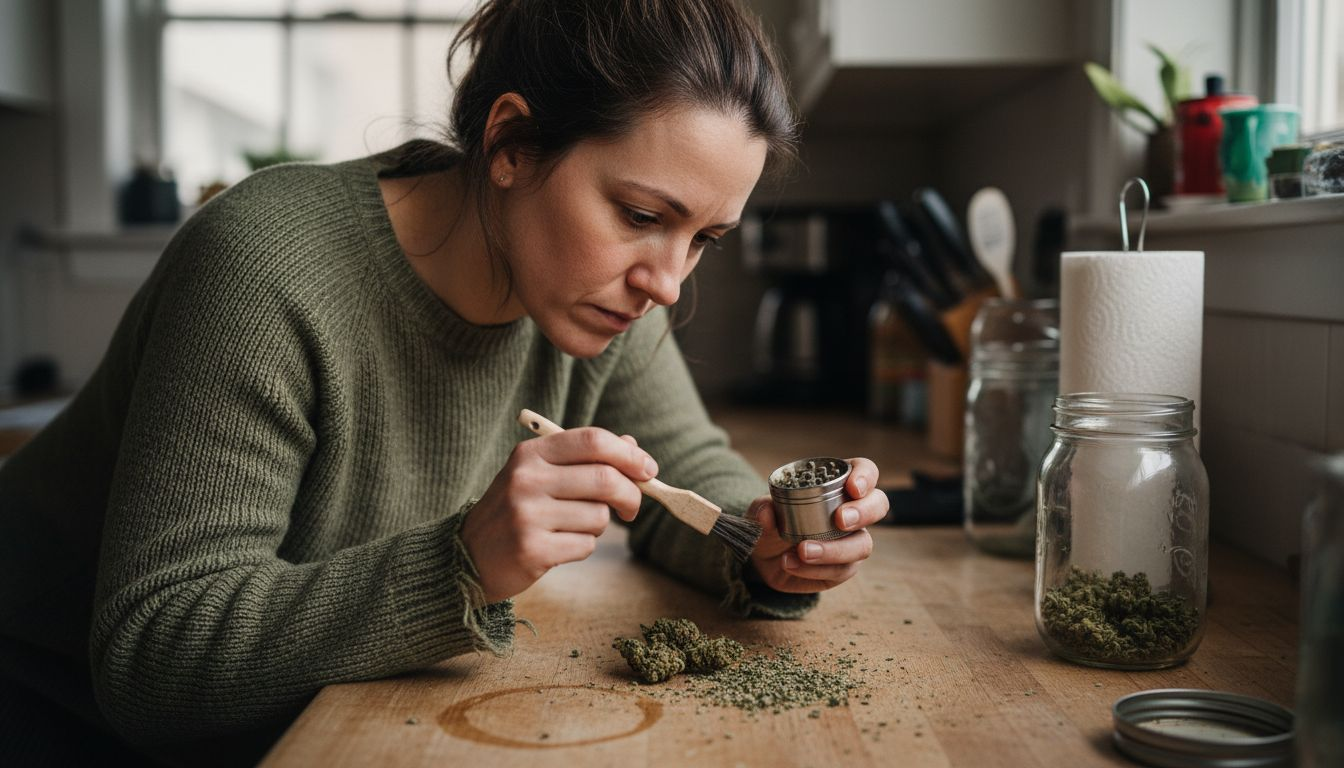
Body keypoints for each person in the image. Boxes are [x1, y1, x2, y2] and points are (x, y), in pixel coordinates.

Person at [0, 0, 889, 764]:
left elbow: (686, 463)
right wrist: (461, 562)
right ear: (511, 142)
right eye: (642, 216)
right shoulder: (265, 270)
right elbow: (153, 661)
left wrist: (769, 544)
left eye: (703, 238)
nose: (668, 281)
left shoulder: (602, 299)